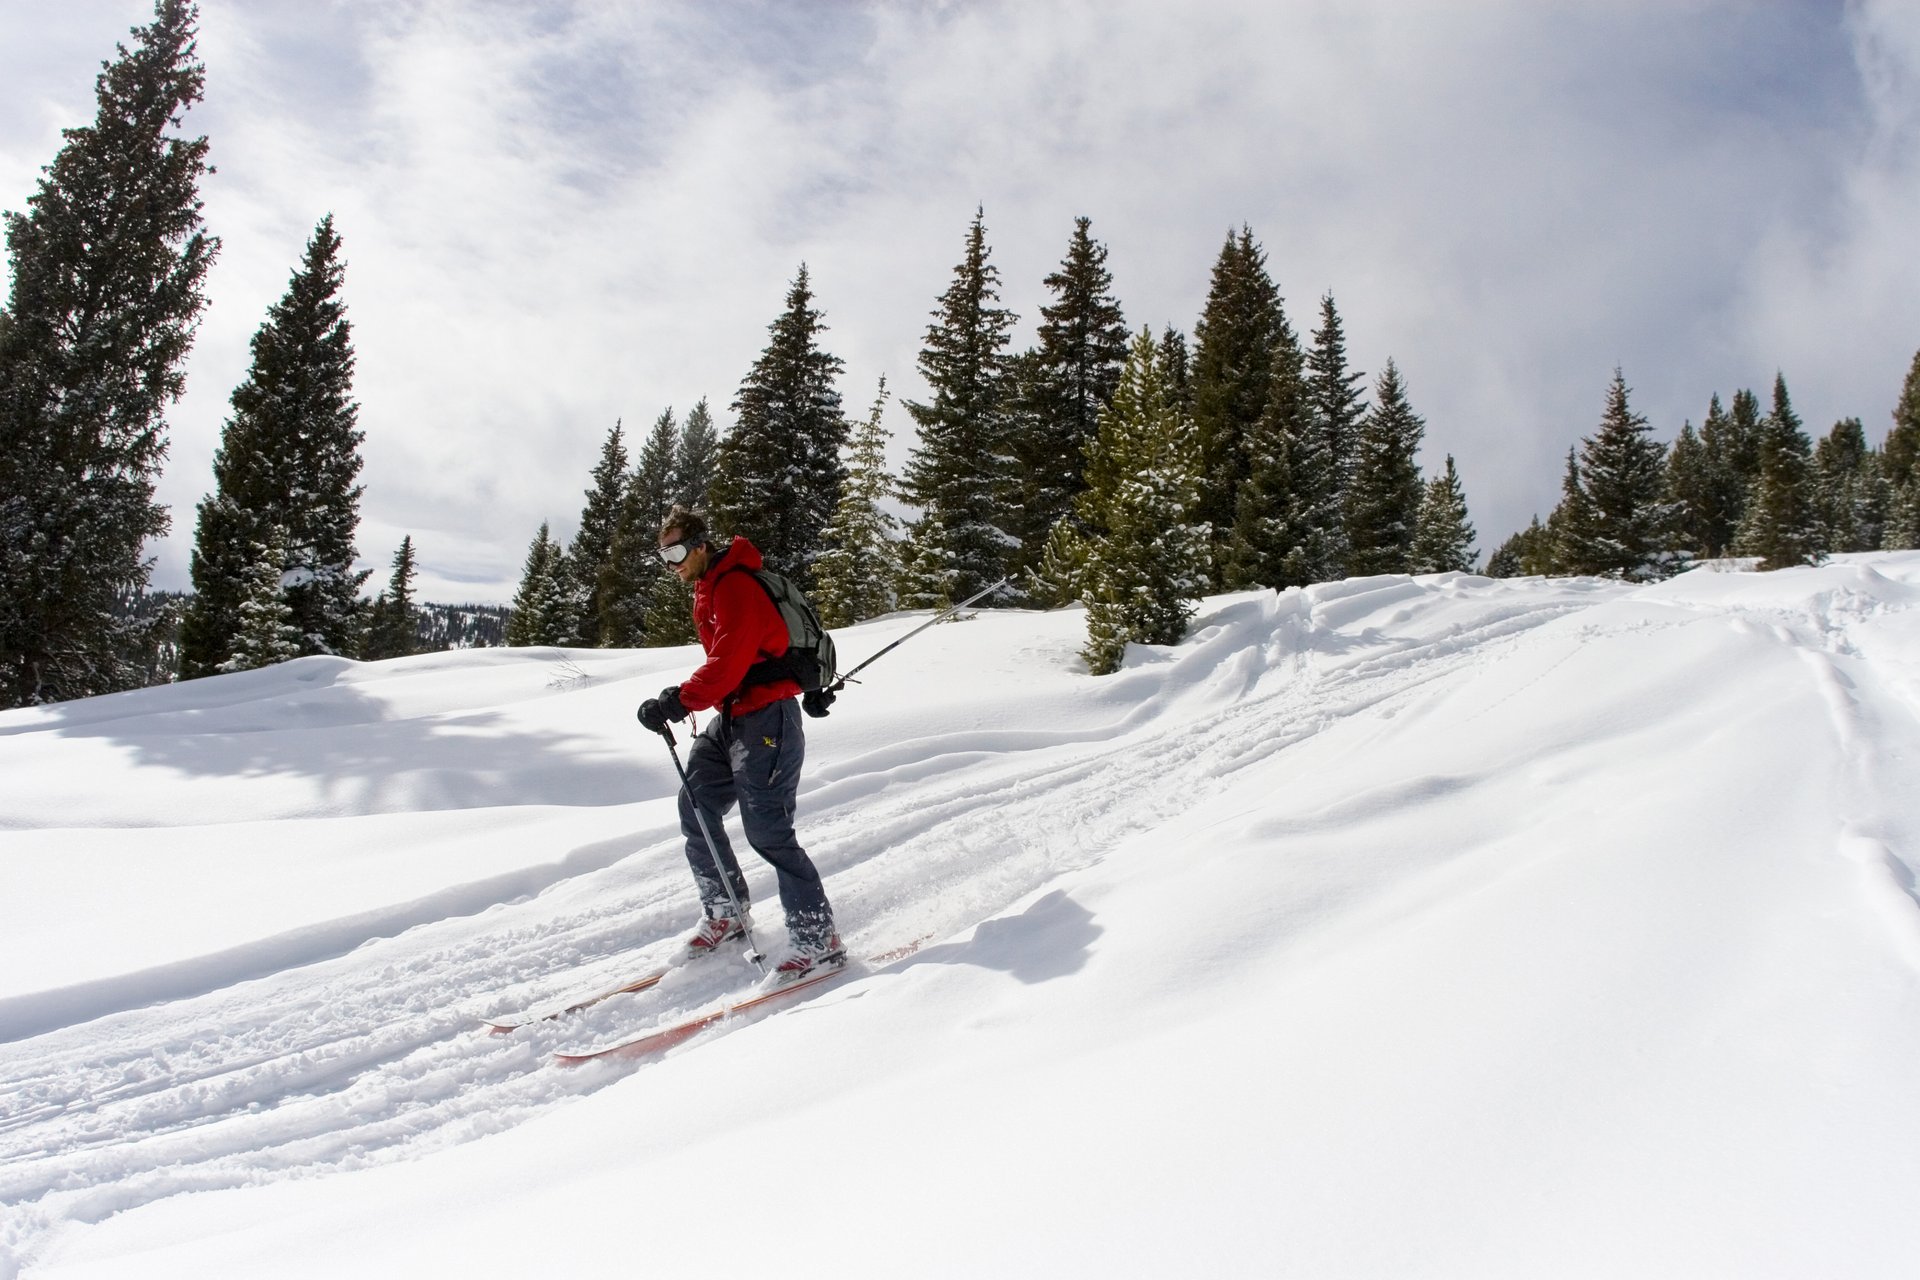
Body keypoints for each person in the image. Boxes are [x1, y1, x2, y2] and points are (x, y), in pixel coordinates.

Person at [637, 506, 842, 981]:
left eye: (677, 551)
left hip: (767, 718)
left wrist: (679, 700)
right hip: (733, 715)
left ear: (701, 544)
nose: (672, 563)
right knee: (697, 805)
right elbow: (739, 663)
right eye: (662, 554)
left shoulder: (735, 586)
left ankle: (818, 937)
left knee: (768, 830)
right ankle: (726, 912)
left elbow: (728, 661)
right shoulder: (708, 587)